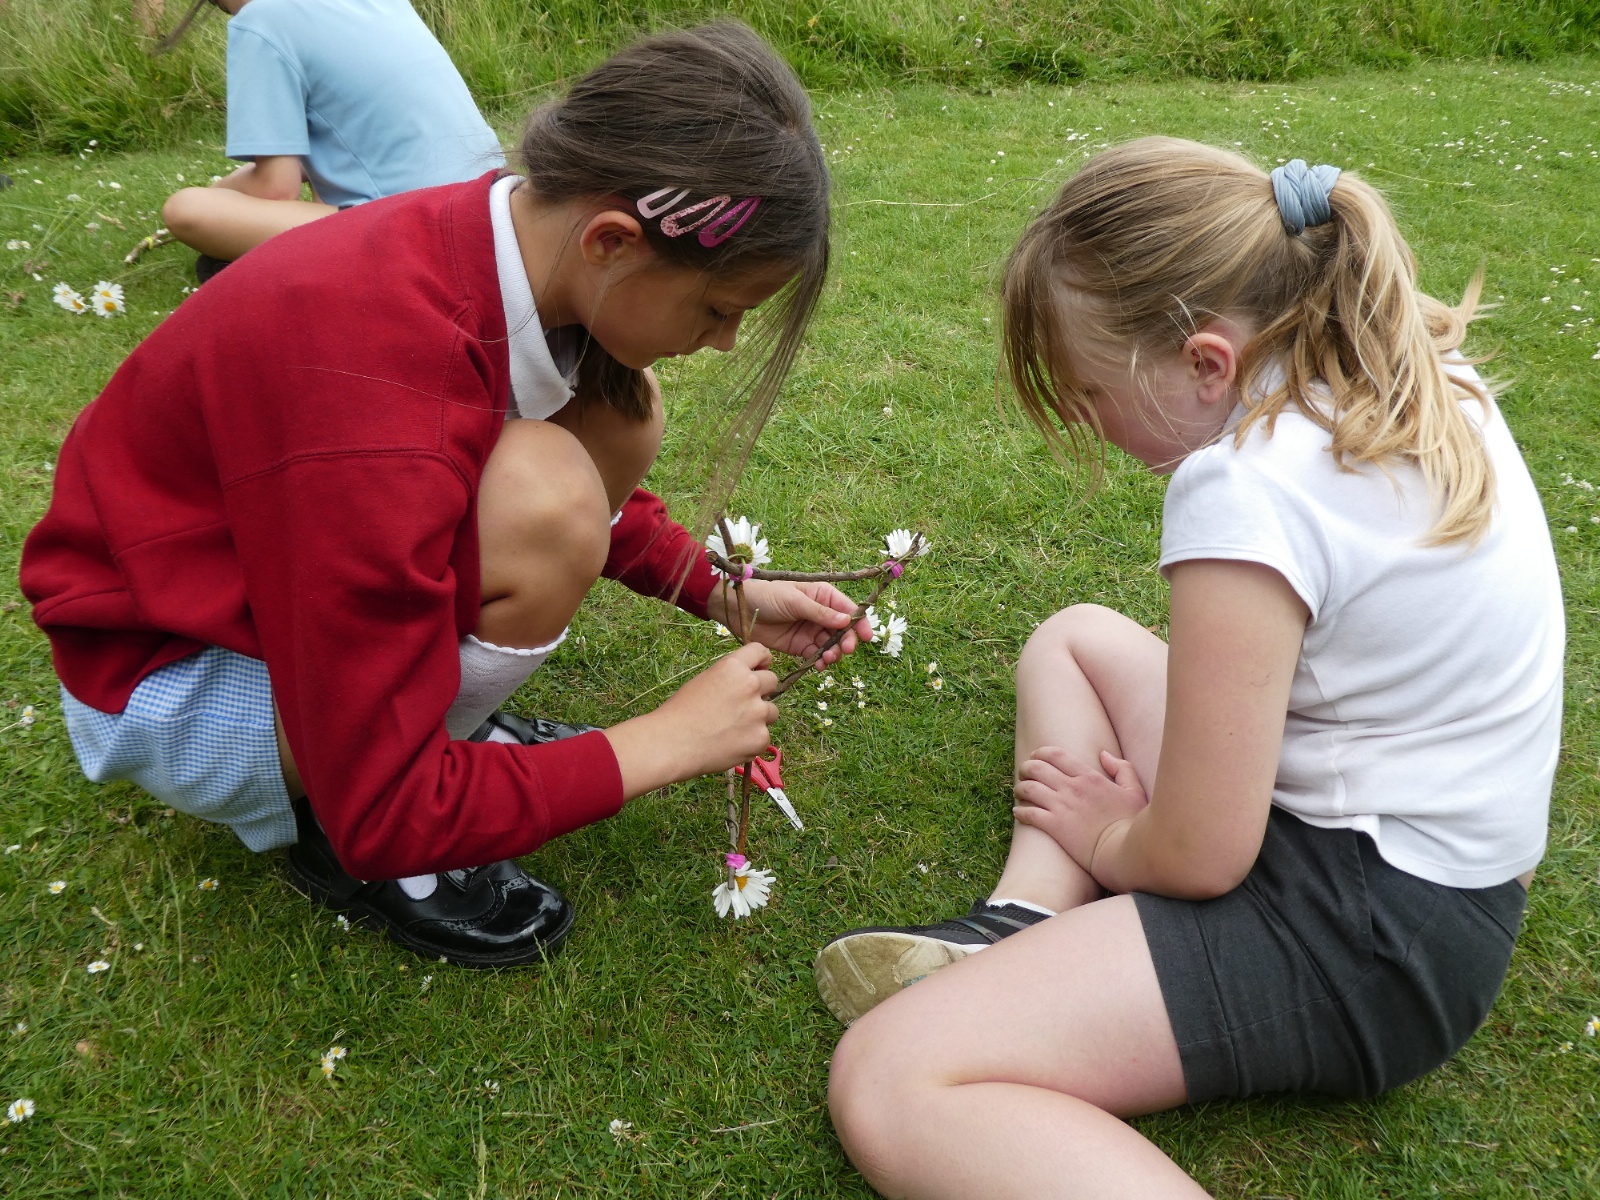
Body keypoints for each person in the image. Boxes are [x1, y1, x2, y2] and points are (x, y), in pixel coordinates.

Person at [22, 22, 865, 969]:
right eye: (719, 309)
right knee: (547, 504)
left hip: (250, 592)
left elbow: (469, 453)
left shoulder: (496, 240)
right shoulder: (378, 395)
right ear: (611, 240)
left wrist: (717, 590)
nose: (724, 341)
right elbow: (384, 809)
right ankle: (343, 811)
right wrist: (661, 743)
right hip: (168, 678)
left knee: (617, 413)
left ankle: (427, 718)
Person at [820, 138, 1562, 1198]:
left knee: (892, 1078)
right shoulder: (1416, 376)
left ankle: (1054, 906)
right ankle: (1024, 918)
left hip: (1369, 934)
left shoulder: (1245, 486)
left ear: (1207, 362)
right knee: (1075, 639)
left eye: (1089, 393)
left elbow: (1205, 853)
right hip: (1445, 884)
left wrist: (1110, 838)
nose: (1087, 423)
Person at [159, 0, 505, 280]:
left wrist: (218, 196)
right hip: (492, 212)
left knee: (185, 209)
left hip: (418, 230)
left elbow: (275, 189)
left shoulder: (260, 19)